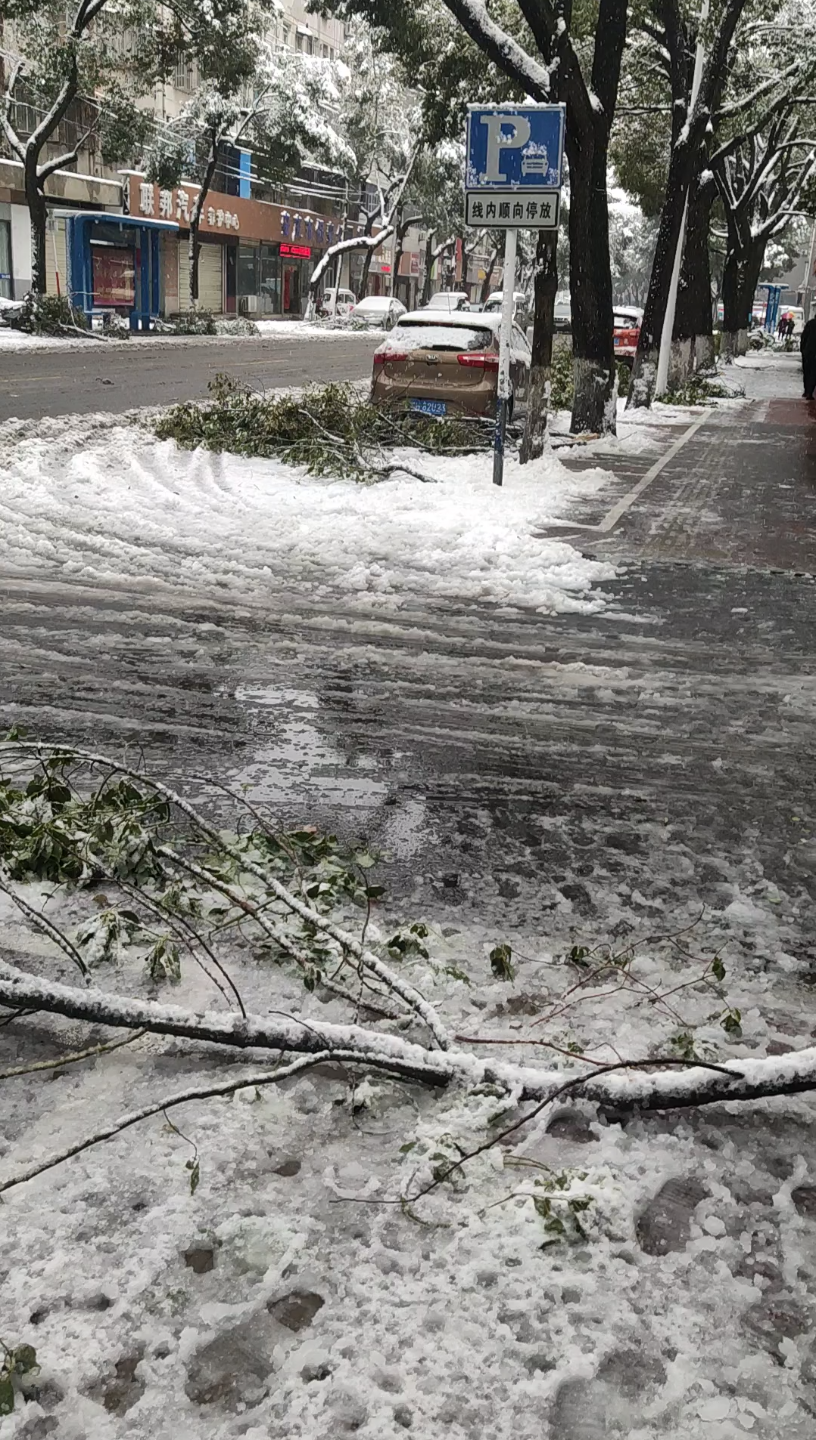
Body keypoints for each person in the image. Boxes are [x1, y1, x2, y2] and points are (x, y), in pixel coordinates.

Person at [800, 314, 816, 398]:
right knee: (813, 373)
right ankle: (810, 391)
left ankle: (807, 391)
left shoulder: (810, 324)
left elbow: (803, 337)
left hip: (808, 352)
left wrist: (802, 350)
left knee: (807, 372)